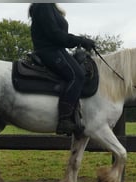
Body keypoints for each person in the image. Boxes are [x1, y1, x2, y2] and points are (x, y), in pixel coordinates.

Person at [28, 3, 95, 136]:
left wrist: (79, 41)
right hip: (49, 50)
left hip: (57, 50)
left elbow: (60, 35)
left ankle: (76, 115)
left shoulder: (50, 7)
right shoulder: (43, 6)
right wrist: (80, 40)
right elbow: (55, 34)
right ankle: (64, 119)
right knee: (77, 75)